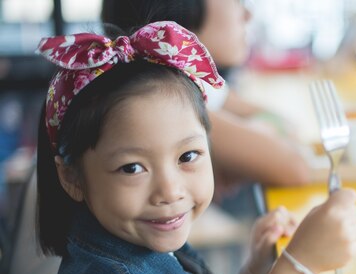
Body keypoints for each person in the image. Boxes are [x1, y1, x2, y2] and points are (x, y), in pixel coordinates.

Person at [27, 21, 356, 274]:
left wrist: (256, 273)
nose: (170, 191)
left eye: (187, 157)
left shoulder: (141, 239)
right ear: (72, 177)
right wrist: (300, 264)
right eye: (132, 168)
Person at [101, 0, 312, 199]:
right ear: (184, 7)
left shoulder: (199, 81)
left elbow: (284, 124)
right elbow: (296, 168)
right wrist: (259, 133)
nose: (248, 14)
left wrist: (258, 132)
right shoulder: (164, 99)